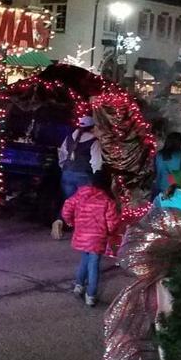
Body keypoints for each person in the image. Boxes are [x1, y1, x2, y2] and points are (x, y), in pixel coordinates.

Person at [61, 170, 122, 308]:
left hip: (82, 235)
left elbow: (67, 209)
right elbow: (112, 222)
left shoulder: (80, 195)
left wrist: (72, 222)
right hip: (97, 238)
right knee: (93, 265)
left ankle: (79, 285)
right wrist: (109, 232)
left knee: (84, 260)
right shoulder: (107, 201)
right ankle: (91, 295)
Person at [58, 115, 103, 199]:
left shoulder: (69, 138)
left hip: (67, 173)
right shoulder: (94, 141)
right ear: (92, 128)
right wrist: (97, 175)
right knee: (82, 205)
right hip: (84, 175)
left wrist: (64, 167)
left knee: (69, 203)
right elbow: (97, 161)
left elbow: (62, 154)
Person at [153, 132, 181, 199]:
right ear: (179, 142)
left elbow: (155, 174)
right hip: (173, 194)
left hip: (157, 193)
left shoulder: (158, 155)